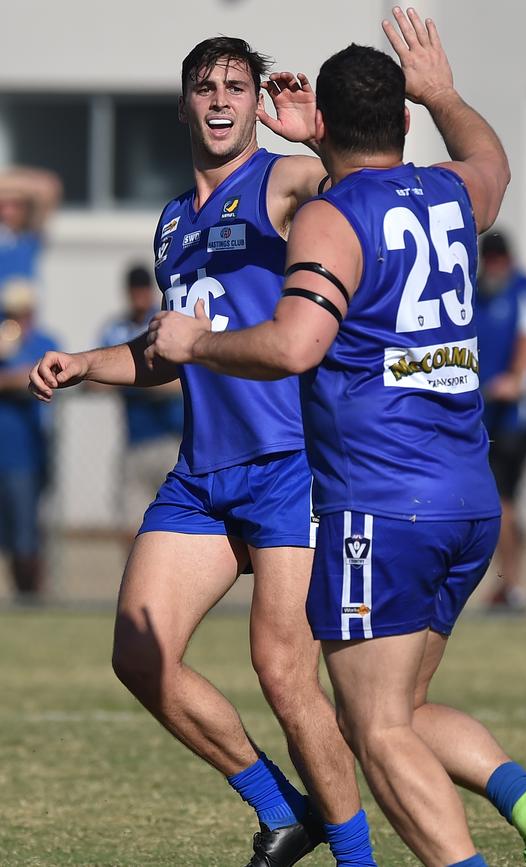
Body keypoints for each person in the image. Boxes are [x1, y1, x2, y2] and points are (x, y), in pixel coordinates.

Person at [143, 9, 526, 867]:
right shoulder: (456, 193)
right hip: (469, 500)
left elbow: (295, 345)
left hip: (381, 505)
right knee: (402, 709)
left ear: (323, 128)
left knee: (373, 727)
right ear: (407, 118)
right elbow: (494, 162)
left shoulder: (333, 213)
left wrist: (195, 340)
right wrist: (444, 90)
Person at [29, 35, 374, 867]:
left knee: (286, 677)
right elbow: (164, 351)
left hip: (290, 465)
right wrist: (85, 364)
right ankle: (282, 810)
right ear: (183, 103)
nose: (219, 99)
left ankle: (360, 860)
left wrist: (314, 137)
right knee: (139, 653)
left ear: (256, 102)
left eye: (235, 86)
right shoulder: (173, 221)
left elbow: (366, 193)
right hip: (202, 475)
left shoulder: (282, 180)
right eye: (204, 86)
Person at [475, 230, 526, 611]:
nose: (494, 267)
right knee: (499, 500)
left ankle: (513, 585)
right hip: (484, 414)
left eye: (499, 260)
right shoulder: (474, 292)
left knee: (501, 498)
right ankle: (509, 583)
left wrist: (519, 378)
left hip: (518, 415)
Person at [98, 265, 184, 543]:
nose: (139, 296)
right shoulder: (116, 329)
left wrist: (132, 380)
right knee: (130, 527)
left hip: (170, 438)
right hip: (134, 440)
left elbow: (180, 382)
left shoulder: (163, 323)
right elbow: (95, 380)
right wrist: (142, 380)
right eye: (134, 291)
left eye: (143, 290)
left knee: (174, 526)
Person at [0, 279, 58, 600]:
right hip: (4, 455)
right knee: (9, 538)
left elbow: (39, 375)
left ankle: (33, 598)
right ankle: (21, 600)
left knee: (27, 536)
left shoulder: (43, 341)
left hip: (27, 458)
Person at [0, 166, 62, 296]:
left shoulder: (30, 236)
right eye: (3, 204)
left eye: (17, 204)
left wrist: (12, 177)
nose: (9, 211)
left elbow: (49, 186)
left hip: (24, 312)